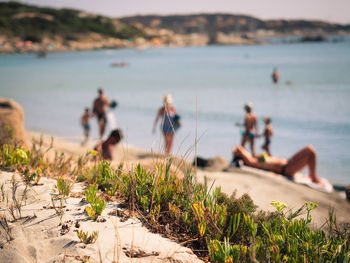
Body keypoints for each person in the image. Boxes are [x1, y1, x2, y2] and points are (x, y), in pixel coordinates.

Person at [232, 145, 322, 184]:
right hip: (287, 169)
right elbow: (239, 151)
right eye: (239, 150)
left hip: (288, 163)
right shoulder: (251, 162)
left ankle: (313, 175)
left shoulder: (254, 158)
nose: (240, 148)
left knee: (310, 150)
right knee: (310, 151)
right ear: (240, 155)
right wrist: (238, 151)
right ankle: (313, 176)